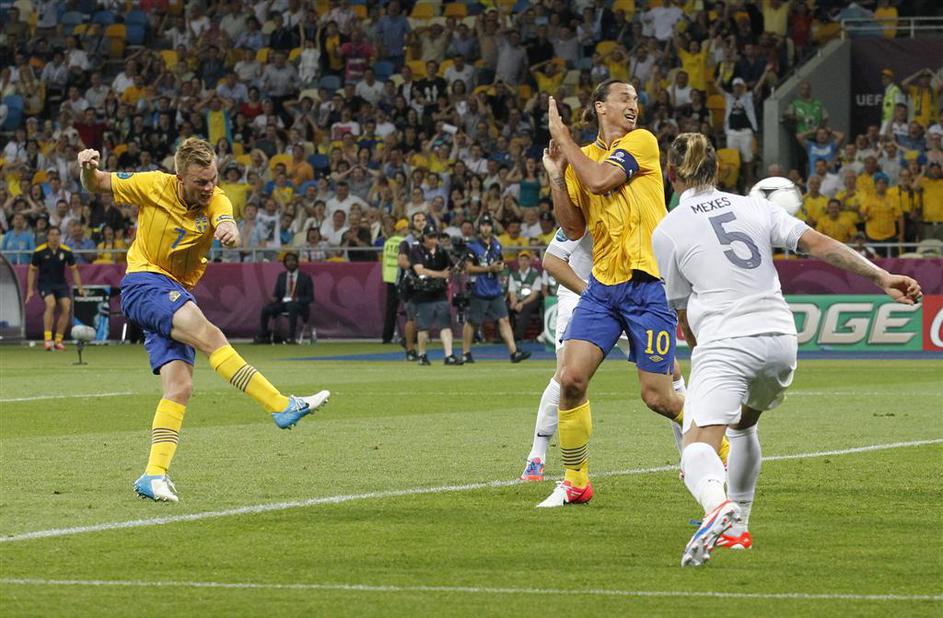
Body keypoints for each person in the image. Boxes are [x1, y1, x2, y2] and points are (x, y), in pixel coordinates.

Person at [651, 132, 922, 567]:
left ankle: (717, 507)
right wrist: (882, 277)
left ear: (670, 174)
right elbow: (821, 244)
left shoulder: (667, 229)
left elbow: (682, 311)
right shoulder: (755, 206)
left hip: (726, 339)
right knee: (743, 425)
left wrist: (702, 359)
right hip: (779, 338)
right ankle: (737, 530)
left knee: (698, 445)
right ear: (717, 169)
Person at [76, 137, 330, 503]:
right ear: (180, 177)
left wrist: (230, 230)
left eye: (212, 179)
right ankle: (279, 405)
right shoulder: (153, 184)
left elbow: (225, 218)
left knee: (179, 388)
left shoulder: (217, 199)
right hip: (144, 283)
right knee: (211, 336)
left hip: (173, 291)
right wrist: (87, 168)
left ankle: (153, 474)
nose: (209, 187)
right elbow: (98, 183)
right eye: (200, 182)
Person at [537, 80, 685, 508]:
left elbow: (602, 181)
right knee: (570, 379)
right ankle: (575, 481)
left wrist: (563, 138)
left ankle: (723, 451)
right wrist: (557, 177)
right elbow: (573, 229)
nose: (634, 105)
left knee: (658, 397)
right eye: (625, 98)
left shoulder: (642, 142)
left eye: (636, 99)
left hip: (647, 285)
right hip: (603, 288)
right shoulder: (582, 158)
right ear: (601, 106)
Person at [461, 213, 531, 364]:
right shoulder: (472, 246)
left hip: (494, 289)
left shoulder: (496, 245)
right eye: (483, 225)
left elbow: (500, 263)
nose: (486, 228)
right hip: (479, 289)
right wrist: (489, 268)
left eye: (488, 225)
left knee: (504, 319)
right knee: (473, 321)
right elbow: (469, 268)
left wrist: (499, 268)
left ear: (491, 227)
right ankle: (466, 352)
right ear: (479, 228)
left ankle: (514, 352)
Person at [25, 225, 85, 351]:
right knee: (51, 304)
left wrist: (80, 287)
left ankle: (58, 341)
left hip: (61, 284)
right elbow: (32, 270)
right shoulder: (39, 251)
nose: (54, 237)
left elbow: (74, 270)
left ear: (60, 236)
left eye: (57, 235)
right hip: (45, 284)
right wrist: (30, 289)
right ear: (47, 236)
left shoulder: (66, 251)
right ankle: (48, 339)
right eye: (52, 234)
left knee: (66, 306)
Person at [409, 222, 460, 366]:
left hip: (439, 292)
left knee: (445, 325)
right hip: (423, 292)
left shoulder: (441, 251)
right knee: (423, 327)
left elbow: (450, 269)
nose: (433, 240)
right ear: (424, 237)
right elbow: (419, 271)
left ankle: (449, 355)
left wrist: (458, 266)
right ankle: (422, 354)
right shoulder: (416, 251)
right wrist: (441, 274)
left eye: (435, 237)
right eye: (430, 237)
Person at [256, 252, 314, 344]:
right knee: (266, 309)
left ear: (297, 262)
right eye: (288, 261)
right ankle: (264, 336)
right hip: (283, 303)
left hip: (299, 305)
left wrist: (297, 299)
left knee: (292, 306)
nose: (290, 262)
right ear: (285, 264)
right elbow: (277, 294)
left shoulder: (305, 277)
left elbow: (310, 297)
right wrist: (274, 298)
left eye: (293, 260)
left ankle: (291, 337)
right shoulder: (281, 276)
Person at [397, 211, 426, 361]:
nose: (421, 223)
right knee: (412, 317)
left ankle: (407, 340)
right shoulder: (406, 242)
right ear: (412, 224)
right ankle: (409, 349)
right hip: (410, 283)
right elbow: (402, 262)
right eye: (417, 220)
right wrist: (418, 268)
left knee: (424, 316)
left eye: (423, 220)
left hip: (425, 282)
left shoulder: (428, 240)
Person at [381, 218, 408, 344]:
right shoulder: (404, 242)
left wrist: (384, 275)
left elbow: (385, 260)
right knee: (409, 307)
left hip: (389, 277)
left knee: (390, 309)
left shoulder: (388, 242)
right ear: (403, 229)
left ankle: (387, 337)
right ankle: (411, 336)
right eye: (407, 228)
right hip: (401, 277)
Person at [506, 250, 542, 342]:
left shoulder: (535, 274)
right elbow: (512, 291)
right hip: (517, 299)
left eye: (526, 260)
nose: (524, 262)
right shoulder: (513, 274)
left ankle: (517, 336)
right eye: (521, 260)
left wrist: (522, 303)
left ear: (529, 262)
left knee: (525, 308)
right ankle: (504, 336)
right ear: (518, 262)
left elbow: (534, 294)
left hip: (531, 300)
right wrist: (514, 302)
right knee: (506, 307)